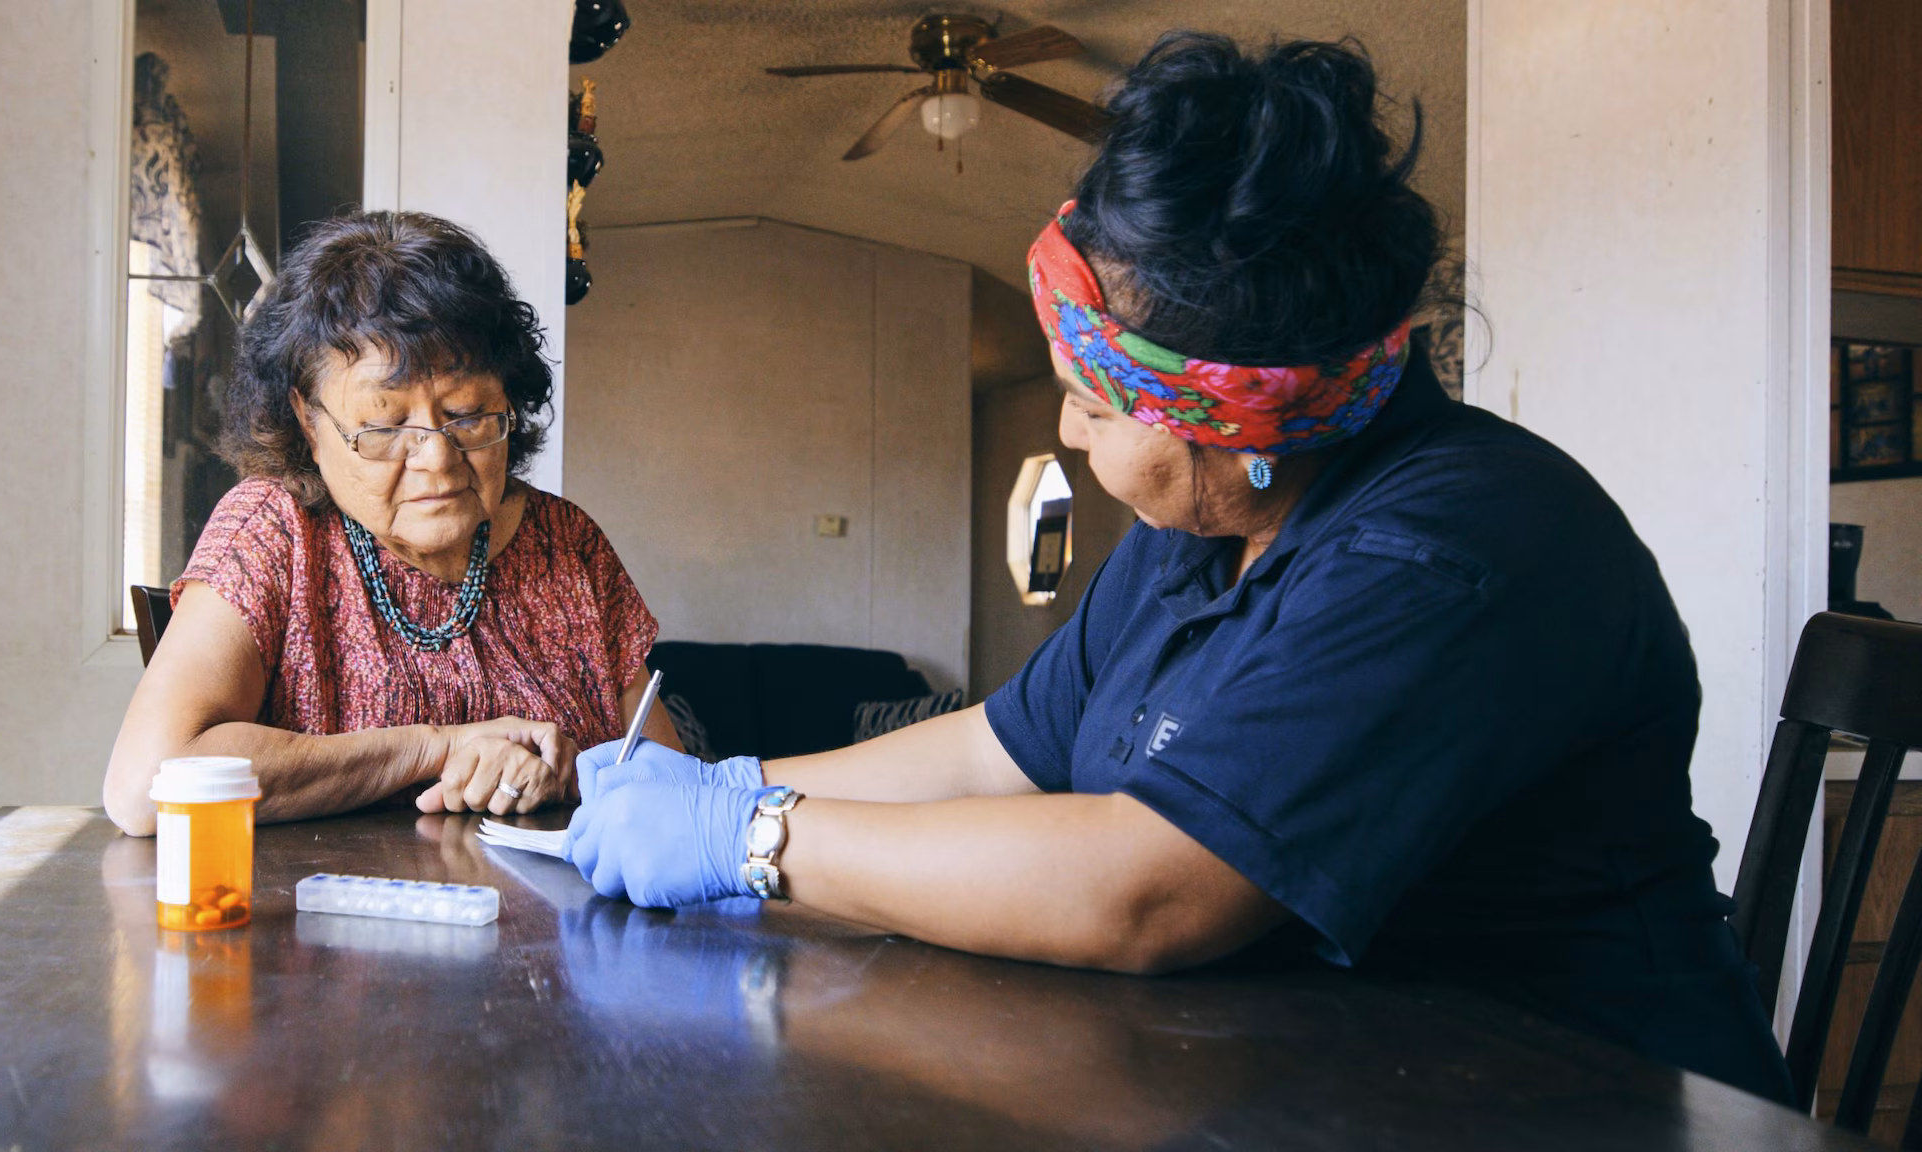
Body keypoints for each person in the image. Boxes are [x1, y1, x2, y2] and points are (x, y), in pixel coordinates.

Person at [551, 34, 1794, 1104]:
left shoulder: (1458, 547)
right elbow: (996, 750)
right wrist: (722, 776)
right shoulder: (1195, 531)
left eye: (1096, 402)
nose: (1068, 430)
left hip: (1561, 1101)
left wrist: (751, 839)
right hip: (1302, 1075)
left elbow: (1146, 890)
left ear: (1244, 423)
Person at [104, 212, 677, 838]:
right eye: (382, 426)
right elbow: (145, 785)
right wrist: (434, 749)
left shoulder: (567, 545)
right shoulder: (273, 532)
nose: (436, 457)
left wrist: (573, 773)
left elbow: (675, 785)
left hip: (550, 928)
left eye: (467, 413)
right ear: (307, 419)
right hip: (321, 925)